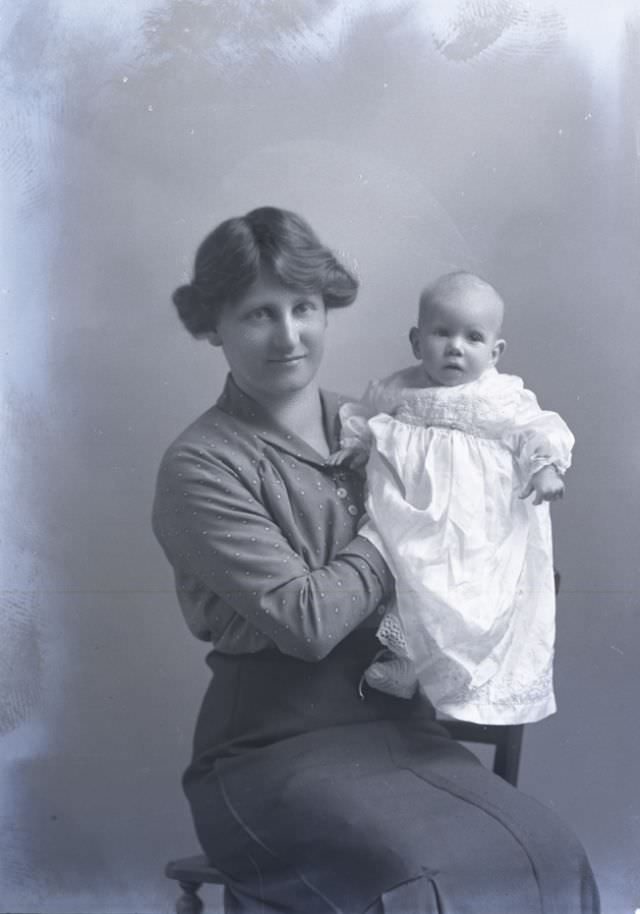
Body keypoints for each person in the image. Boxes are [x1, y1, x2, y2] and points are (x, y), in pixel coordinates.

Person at [152, 207, 599, 914]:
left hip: (401, 728)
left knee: (551, 854)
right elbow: (306, 619)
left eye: (304, 308)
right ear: (215, 327)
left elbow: (487, 544)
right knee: (421, 876)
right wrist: (412, 533)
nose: (290, 335)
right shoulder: (203, 465)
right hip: (270, 748)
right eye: (258, 315)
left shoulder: (395, 424)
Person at [331, 272, 573, 725]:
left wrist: (543, 468)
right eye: (442, 333)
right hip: (408, 510)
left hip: (474, 522)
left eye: (473, 337)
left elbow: (534, 428)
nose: (455, 346)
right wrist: (356, 445)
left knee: (469, 589)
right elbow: (366, 414)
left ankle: (462, 678)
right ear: (416, 339)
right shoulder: (398, 388)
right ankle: (404, 662)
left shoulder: (498, 395)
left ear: (495, 352)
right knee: (408, 570)